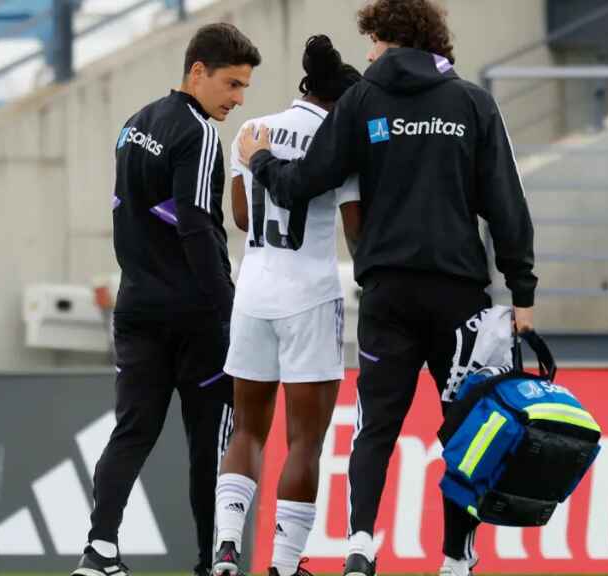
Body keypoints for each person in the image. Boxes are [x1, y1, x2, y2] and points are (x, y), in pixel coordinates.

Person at [237, 1, 537, 575]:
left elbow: (305, 182)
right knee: (464, 433)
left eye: (370, 42)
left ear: (386, 37)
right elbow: (507, 204)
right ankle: (455, 560)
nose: (367, 55)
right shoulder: (473, 102)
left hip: (388, 295)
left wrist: (262, 160)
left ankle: (359, 546)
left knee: (376, 427)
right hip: (460, 299)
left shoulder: (361, 100)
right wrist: (521, 291)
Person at [71, 23, 261, 576]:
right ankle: (211, 563)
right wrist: (228, 310)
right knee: (210, 444)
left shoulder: (135, 124)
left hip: (136, 307)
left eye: (244, 88)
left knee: (132, 430)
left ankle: (99, 550)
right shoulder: (199, 133)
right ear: (197, 71)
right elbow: (198, 228)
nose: (238, 99)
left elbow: (128, 214)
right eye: (231, 84)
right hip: (195, 318)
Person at [211, 35, 363, 576]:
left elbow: (243, 219)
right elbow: (355, 232)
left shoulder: (251, 132)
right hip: (310, 296)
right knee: (304, 440)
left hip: (252, 292)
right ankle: (282, 563)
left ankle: (227, 546)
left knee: (248, 430)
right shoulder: (340, 142)